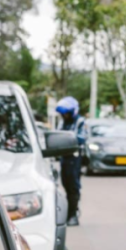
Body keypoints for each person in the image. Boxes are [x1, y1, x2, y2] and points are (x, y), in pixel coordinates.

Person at [55, 96, 86, 226]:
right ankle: (70, 212)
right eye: (63, 113)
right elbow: (57, 135)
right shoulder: (63, 122)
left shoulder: (80, 122)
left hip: (75, 158)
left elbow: (81, 138)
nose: (64, 116)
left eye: (66, 113)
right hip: (64, 157)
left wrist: (67, 137)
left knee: (73, 186)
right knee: (65, 184)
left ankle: (73, 215)